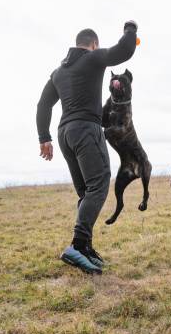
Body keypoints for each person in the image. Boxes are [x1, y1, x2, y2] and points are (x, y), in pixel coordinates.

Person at [36, 21, 138, 274]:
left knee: (85, 191)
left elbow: (43, 105)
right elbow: (123, 51)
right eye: (97, 47)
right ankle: (77, 245)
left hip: (64, 135)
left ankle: (86, 248)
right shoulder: (92, 58)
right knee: (100, 183)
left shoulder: (58, 72)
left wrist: (43, 138)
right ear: (93, 44)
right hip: (85, 130)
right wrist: (131, 29)